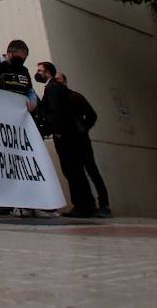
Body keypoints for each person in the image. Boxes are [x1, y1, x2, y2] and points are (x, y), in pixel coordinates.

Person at [33, 61, 96, 218]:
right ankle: (87, 205)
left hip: (65, 137)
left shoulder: (52, 88)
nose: (38, 73)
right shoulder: (57, 88)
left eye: (40, 71)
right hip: (70, 136)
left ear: (47, 73)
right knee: (76, 171)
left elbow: (56, 112)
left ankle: (82, 206)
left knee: (72, 171)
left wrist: (54, 129)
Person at [58, 73, 110, 217]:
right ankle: (83, 205)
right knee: (75, 175)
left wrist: (82, 129)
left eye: (59, 81)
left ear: (65, 82)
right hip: (68, 143)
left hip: (81, 142)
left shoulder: (75, 97)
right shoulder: (58, 100)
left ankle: (104, 205)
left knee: (92, 171)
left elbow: (91, 115)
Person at [0, 40, 37, 113]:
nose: (20, 61)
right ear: (9, 53)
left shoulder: (24, 70)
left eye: (23, 59)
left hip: (19, 113)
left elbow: (30, 90)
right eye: (18, 58)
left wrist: (33, 101)